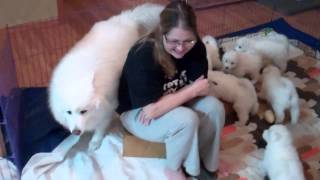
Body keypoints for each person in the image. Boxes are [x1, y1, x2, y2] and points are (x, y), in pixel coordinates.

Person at [116, 0, 225, 177]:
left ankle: (209, 162)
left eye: (188, 40)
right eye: (174, 41)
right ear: (161, 33)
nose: (181, 48)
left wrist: (171, 101)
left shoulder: (196, 47)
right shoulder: (143, 54)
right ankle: (173, 168)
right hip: (136, 112)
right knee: (186, 120)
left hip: (169, 102)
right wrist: (190, 91)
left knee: (215, 108)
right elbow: (150, 111)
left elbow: (202, 88)